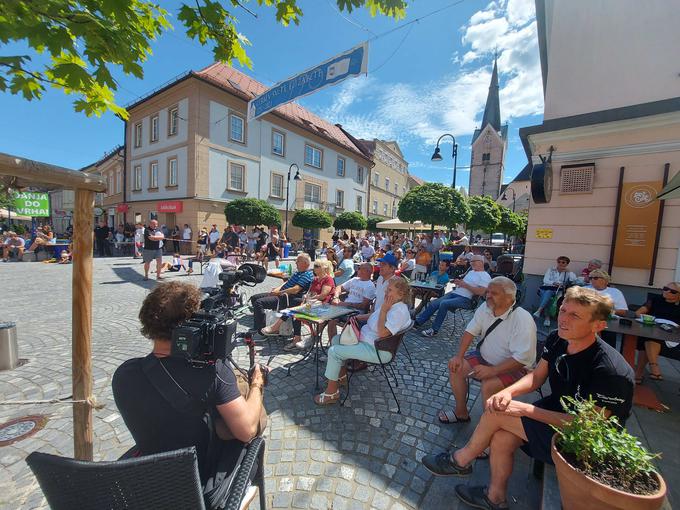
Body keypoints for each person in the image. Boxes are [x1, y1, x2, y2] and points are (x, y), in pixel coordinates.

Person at [421, 287, 634, 510]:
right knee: (502, 435)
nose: (563, 319)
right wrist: (508, 393)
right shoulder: (558, 340)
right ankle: (495, 497)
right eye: (562, 311)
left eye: (575, 315)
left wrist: (524, 409)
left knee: (497, 414)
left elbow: (586, 425)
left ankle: (460, 460)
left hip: (580, 440)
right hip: (554, 413)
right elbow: (536, 377)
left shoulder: (610, 371)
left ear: (598, 325)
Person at [112, 282, 266, 490]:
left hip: (148, 481)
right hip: (199, 482)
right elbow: (246, 430)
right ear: (192, 324)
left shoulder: (124, 373)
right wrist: (256, 383)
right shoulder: (212, 373)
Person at [439, 277, 537, 424]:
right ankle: (461, 413)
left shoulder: (523, 319)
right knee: (456, 368)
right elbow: (470, 331)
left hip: (514, 367)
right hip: (484, 358)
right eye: (488, 292)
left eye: (494, 293)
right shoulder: (486, 307)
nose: (488, 296)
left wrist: (493, 371)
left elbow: (523, 359)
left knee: (489, 385)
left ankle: (488, 429)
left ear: (510, 297)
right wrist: (458, 356)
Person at [314, 277, 412, 405]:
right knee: (337, 340)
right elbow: (374, 316)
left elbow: (382, 333)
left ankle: (332, 393)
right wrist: (356, 317)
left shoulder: (398, 311)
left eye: (390, 290)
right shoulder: (391, 304)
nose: (386, 292)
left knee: (334, 351)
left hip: (378, 349)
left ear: (401, 294)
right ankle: (341, 377)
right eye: (387, 289)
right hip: (368, 341)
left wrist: (383, 311)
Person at [262, 259, 336, 350]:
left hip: (323, 306)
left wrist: (310, 299)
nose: (314, 268)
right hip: (312, 304)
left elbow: (323, 295)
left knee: (292, 309)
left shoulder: (328, 279)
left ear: (324, 268)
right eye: (314, 265)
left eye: (317, 266)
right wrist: (306, 297)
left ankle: (277, 328)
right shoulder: (316, 279)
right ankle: (296, 337)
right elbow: (310, 292)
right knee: (293, 308)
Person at [416, 255, 491, 338]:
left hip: (467, 299)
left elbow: (481, 292)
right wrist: (459, 282)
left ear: (480, 262)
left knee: (444, 303)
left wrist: (465, 285)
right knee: (434, 303)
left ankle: (434, 330)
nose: (470, 263)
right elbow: (464, 283)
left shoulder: (485, 276)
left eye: (472, 262)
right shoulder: (471, 272)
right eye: (470, 262)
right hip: (455, 293)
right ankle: (418, 322)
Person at [250, 253, 313, 334]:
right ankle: (261, 318)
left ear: (305, 263)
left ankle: (260, 328)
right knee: (254, 298)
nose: (296, 262)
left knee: (259, 303)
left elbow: (295, 289)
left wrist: (279, 292)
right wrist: (276, 290)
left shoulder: (307, 275)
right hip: (281, 293)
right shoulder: (298, 272)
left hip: (285, 298)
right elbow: (286, 282)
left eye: (298, 261)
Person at [634, 282, 680, 382]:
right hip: (652, 329)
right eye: (665, 288)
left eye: (672, 291)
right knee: (647, 337)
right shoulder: (656, 299)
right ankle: (653, 369)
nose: (667, 291)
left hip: (671, 335)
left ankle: (641, 372)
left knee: (647, 338)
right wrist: (644, 318)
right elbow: (639, 312)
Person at [327, 262, 377, 339]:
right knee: (329, 318)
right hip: (344, 308)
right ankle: (331, 343)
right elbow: (339, 287)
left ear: (367, 271)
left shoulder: (370, 286)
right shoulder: (355, 280)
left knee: (335, 318)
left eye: (359, 268)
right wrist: (336, 297)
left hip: (355, 312)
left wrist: (345, 304)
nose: (357, 270)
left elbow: (363, 306)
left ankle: (342, 344)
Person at [533, 256, 577, 327]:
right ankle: (547, 318)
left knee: (549, 295)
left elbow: (574, 280)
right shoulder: (551, 269)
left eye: (563, 262)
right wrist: (554, 283)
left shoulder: (568, 273)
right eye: (559, 262)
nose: (560, 264)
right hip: (546, 288)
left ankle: (539, 311)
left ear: (567, 264)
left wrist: (569, 272)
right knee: (548, 293)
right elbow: (545, 280)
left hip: (558, 290)